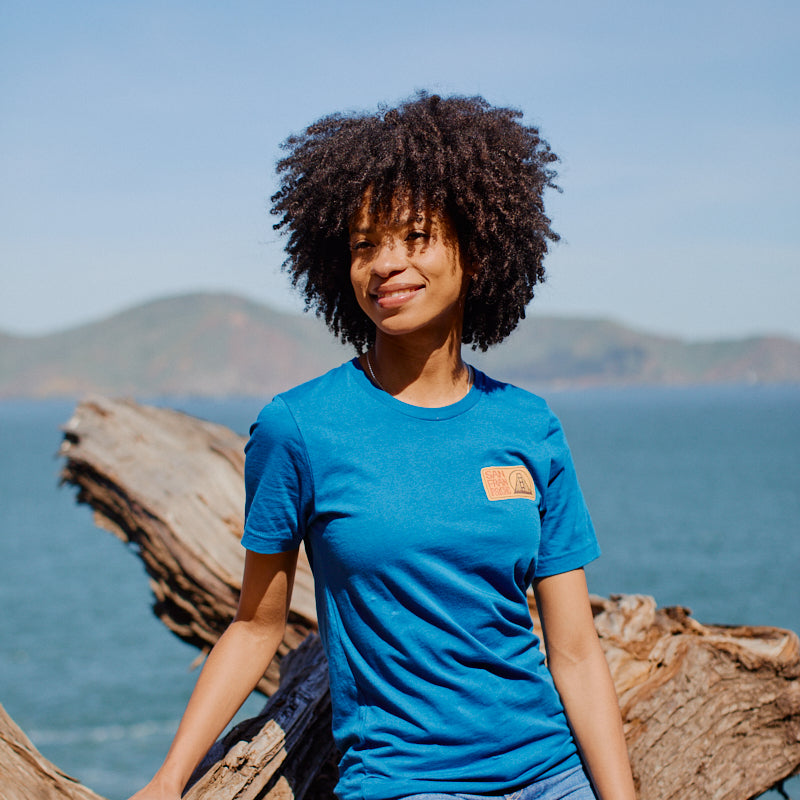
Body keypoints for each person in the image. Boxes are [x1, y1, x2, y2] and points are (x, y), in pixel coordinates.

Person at [130, 93, 636, 800]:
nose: (385, 264)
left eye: (416, 237)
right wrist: (167, 780)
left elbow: (575, 653)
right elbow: (253, 627)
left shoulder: (528, 426)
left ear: (476, 251)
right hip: (404, 782)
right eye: (365, 244)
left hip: (551, 776)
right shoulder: (299, 427)